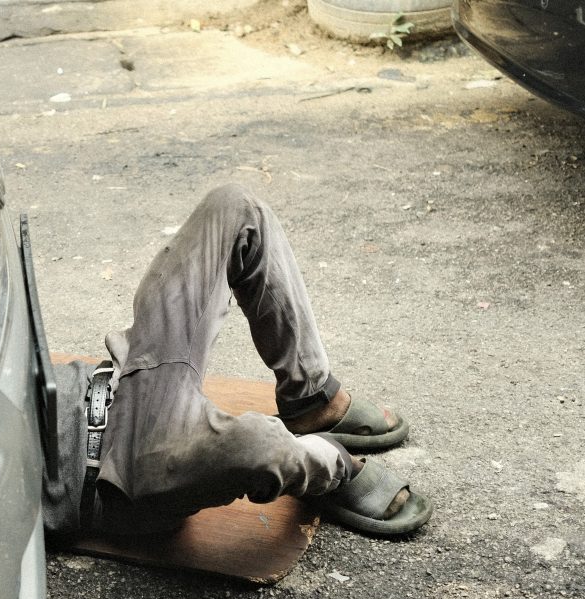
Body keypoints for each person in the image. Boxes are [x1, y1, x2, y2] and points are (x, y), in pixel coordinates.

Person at [43, 183, 433, 539]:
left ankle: (311, 400)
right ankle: (334, 469)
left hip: (121, 378)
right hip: (120, 472)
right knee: (256, 445)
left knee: (235, 208)